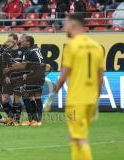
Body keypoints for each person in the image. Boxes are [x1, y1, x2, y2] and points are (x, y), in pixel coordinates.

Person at [52, 13, 104, 160]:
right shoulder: (97, 47)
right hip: (91, 100)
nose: (64, 27)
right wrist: (96, 100)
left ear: (73, 25)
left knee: (80, 138)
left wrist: (55, 89)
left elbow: (63, 76)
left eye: (66, 24)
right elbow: (101, 78)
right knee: (75, 137)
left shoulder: (72, 46)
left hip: (76, 100)